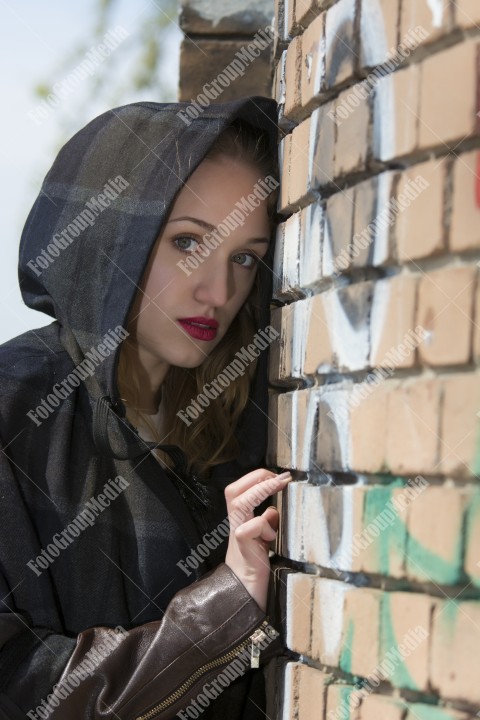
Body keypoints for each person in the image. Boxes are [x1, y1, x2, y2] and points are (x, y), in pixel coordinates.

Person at [0, 96, 292, 719]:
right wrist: (225, 602)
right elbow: (14, 687)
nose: (218, 291)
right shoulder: (14, 407)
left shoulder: (241, 419)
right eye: (187, 241)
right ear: (110, 237)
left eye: (244, 257)